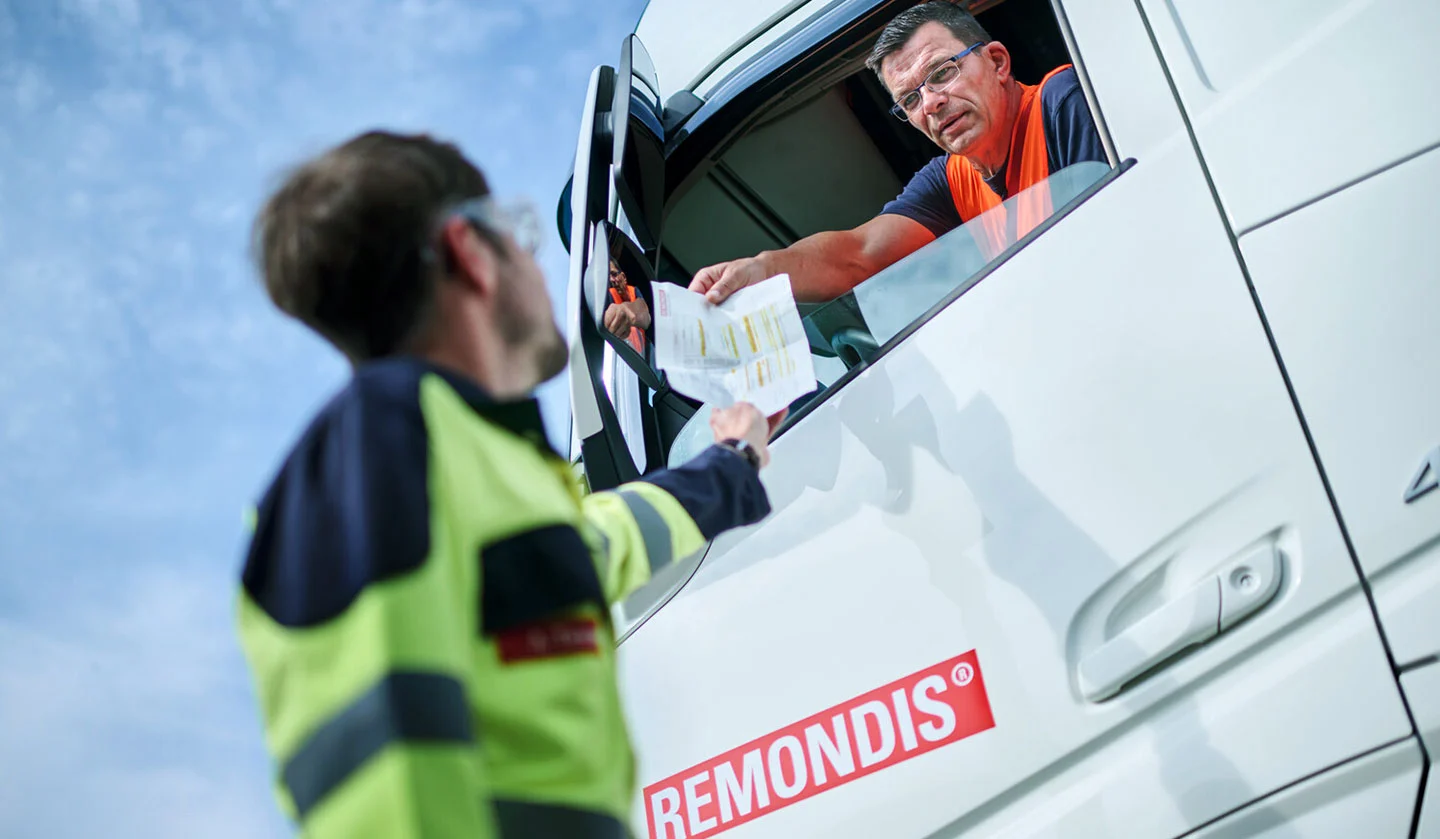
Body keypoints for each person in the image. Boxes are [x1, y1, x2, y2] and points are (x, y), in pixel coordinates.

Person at [238, 131, 782, 838]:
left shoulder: (469, 459)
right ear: (470, 251)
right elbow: (381, 771)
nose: (536, 263)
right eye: (523, 235)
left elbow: (603, 544)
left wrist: (732, 462)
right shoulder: (369, 450)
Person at [690, 0, 1106, 304]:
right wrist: (763, 270)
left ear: (997, 62)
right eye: (909, 99)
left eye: (942, 73)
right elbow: (858, 254)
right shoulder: (951, 178)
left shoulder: (1064, 103)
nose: (930, 104)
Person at [604, 258, 650, 354]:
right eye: (607, 276)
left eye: (614, 274)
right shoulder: (609, 295)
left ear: (624, 277)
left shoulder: (634, 291)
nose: (611, 280)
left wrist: (627, 310)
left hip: (641, 356)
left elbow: (646, 316)